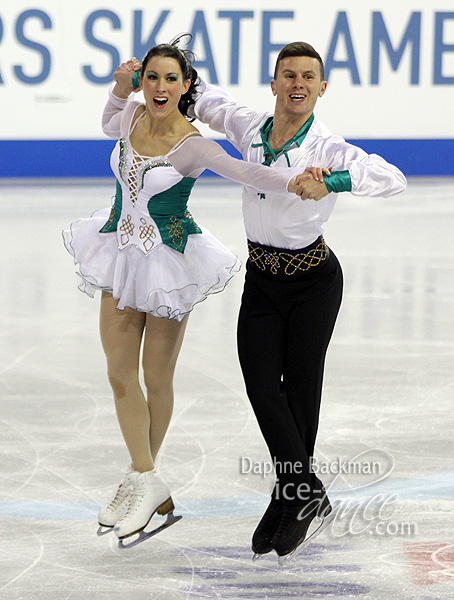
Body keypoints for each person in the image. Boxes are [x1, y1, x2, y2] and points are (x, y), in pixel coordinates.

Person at [63, 38, 317, 547]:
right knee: (118, 375)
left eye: (170, 80)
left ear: (185, 88)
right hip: (117, 253)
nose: (159, 87)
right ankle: (146, 478)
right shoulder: (131, 116)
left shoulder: (195, 144)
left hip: (169, 264)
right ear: (144, 82)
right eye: (151, 77)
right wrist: (118, 87)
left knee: (156, 378)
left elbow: (245, 171)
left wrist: (299, 180)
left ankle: (143, 482)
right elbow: (109, 117)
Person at [185, 41, 407, 561]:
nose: (298, 83)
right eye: (289, 75)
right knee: (264, 388)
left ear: (322, 87)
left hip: (313, 283)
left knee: (301, 393)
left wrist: (332, 181)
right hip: (262, 280)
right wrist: (150, 76)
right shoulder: (251, 127)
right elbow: (206, 100)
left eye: (309, 76)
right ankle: (306, 493)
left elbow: (392, 178)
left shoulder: (327, 146)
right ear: (275, 83)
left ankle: (289, 499)